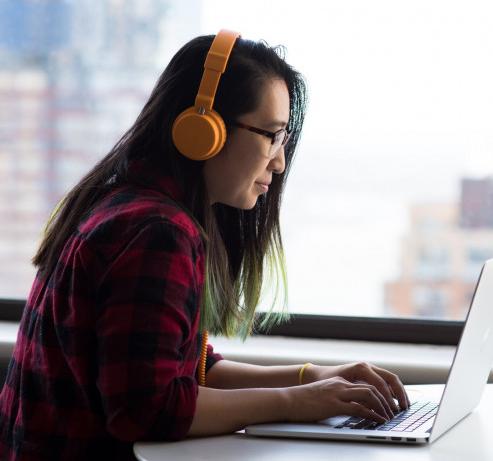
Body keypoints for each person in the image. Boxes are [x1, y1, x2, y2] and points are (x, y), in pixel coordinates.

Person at [0, 30, 410, 460]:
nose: (280, 160)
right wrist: (296, 403)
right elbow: (147, 409)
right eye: (271, 135)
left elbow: (192, 368)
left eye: (283, 139)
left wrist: (311, 378)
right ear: (203, 129)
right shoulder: (157, 231)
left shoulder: (132, 205)